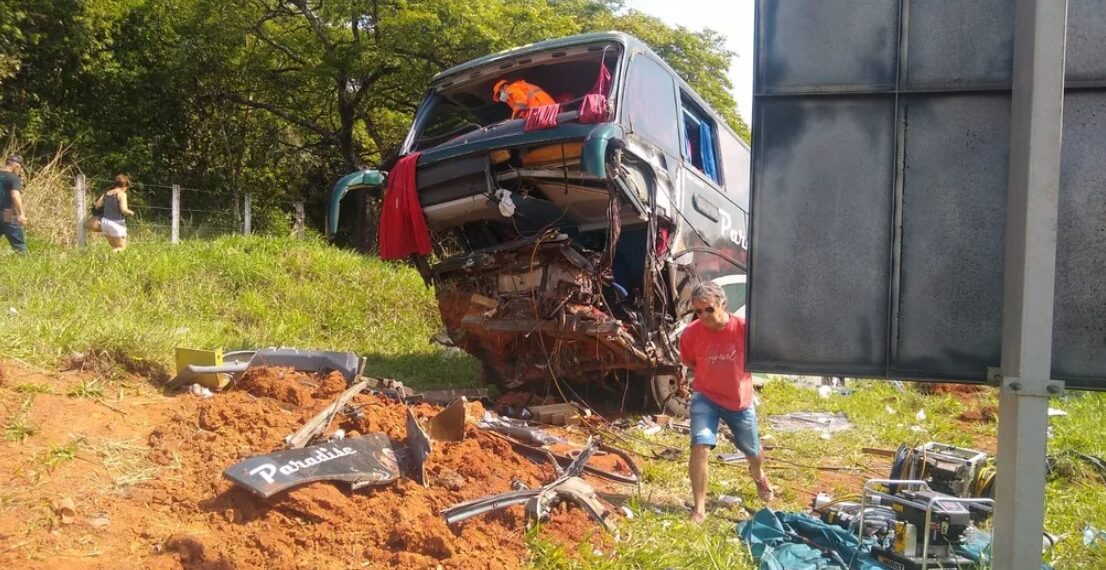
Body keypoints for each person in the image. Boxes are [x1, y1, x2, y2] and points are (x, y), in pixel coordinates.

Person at [680, 280, 773, 523]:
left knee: (752, 450)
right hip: (706, 397)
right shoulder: (691, 334)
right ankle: (699, 508)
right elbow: (690, 362)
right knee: (700, 445)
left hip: (739, 401)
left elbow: (762, 357)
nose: (703, 316)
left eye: (708, 309)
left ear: (723, 303)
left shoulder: (744, 330)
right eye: (697, 311)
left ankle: (759, 476)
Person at [95, 174, 134, 251]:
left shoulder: (106, 193)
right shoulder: (122, 194)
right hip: (117, 223)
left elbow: (97, 205)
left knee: (114, 247)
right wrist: (131, 213)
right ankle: (106, 258)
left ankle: (109, 260)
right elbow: (123, 210)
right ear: (125, 186)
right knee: (121, 248)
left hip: (105, 223)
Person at [0, 154, 27, 254]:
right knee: (19, 245)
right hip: (7, 213)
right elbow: (15, 196)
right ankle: (24, 263)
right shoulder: (13, 178)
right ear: (17, 166)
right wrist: (21, 214)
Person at [491, 79, 556, 119]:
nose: (500, 96)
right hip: (549, 108)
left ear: (505, 86)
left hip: (540, 109)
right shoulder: (520, 87)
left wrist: (513, 120)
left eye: (500, 92)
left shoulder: (511, 88)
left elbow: (521, 102)